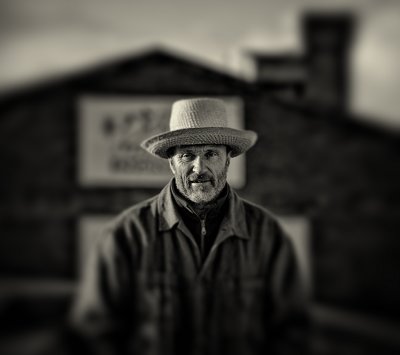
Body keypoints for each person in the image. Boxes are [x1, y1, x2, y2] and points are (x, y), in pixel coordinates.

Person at [70, 98, 308, 355]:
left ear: (228, 160)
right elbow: (94, 334)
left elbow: (291, 333)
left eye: (211, 154)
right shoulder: (127, 234)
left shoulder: (266, 234)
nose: (199, 168)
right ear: (172, 162)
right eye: (187, 155)